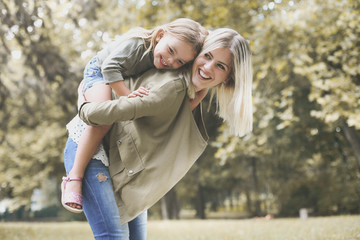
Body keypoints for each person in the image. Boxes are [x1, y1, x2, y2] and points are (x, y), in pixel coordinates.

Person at [70, 27, 253, 239]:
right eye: (207, 56)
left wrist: (201, 92)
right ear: (199, 54)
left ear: (228, 78)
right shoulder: (172, 86)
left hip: (121, 160)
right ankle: (73, 178)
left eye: (220, 66)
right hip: (94, 149)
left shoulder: (190, 88)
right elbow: (100, 113)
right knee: (113, 236)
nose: (207, 67)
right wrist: (83, 101)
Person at [61, 18, 208, 214]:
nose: (170, 61)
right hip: (99, 72)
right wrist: (128, 96)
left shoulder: (164, 62)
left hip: (117, 77)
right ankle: (74, 178)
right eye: (171, 51)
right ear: (161, 35)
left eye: (180, 61)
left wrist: (201, 92)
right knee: (104, 121)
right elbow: (110, 68)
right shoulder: (137, 47)